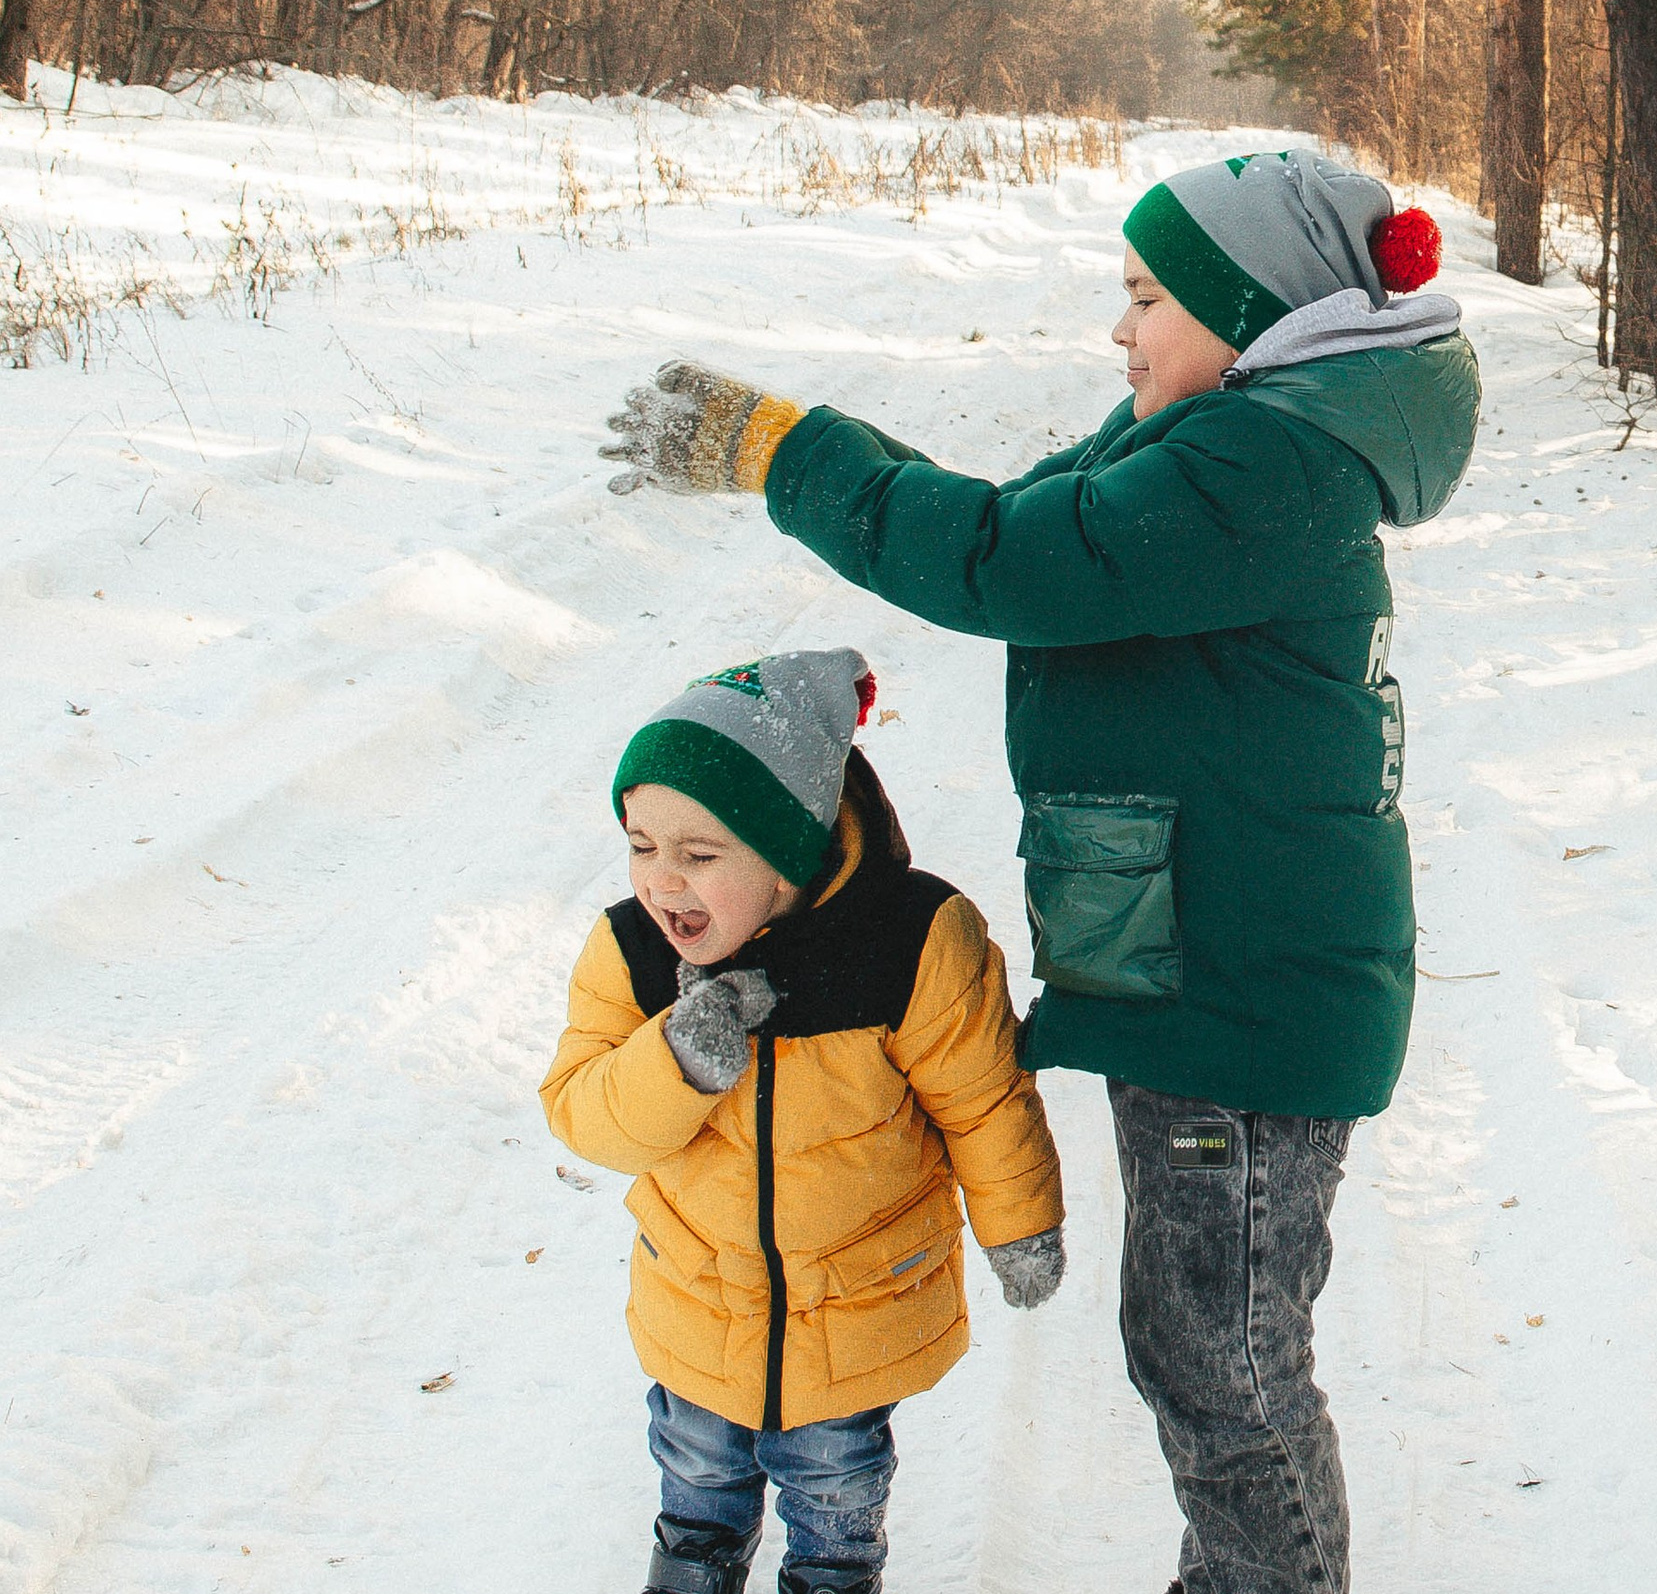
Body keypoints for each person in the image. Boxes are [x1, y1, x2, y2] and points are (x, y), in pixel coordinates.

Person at [602, 152, 1481, 1594]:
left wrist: (783, 449)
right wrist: (816, 454)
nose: (1122, 333)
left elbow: (1008, 562)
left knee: (1224, 1368)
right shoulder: (1240, 432)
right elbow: (1023, 518)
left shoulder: (1257, 463)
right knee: (1205, 1347)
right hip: (1220, 982)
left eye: (1146, 298)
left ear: (1252, 309)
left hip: (1241, 1009)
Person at [542, 647, 1066, 1594]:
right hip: (700, 1304)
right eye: (641, 844)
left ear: (790, 850)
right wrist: (677, 1062)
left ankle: (834, 1575)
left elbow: (983, 1101)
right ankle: (694, 1574)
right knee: (697, 1477)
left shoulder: (911, 941)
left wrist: (1020, 1225)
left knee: (836, 1488)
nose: (663, 882)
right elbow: (587, 1118)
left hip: (859, 1304)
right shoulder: (629, 951)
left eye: (701, 855)